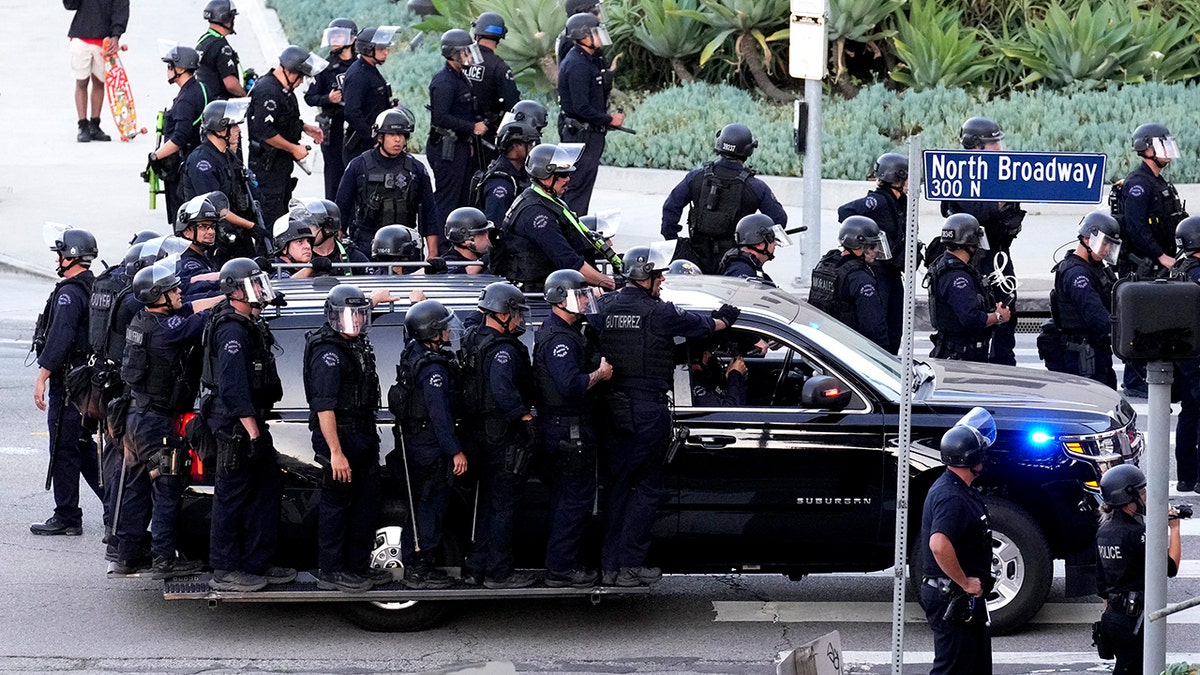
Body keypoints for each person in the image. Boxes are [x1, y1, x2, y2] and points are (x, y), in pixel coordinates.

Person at [592, 246, 739, 586]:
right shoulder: (659, 313)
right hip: (645, 411)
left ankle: (610, 567)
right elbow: (706, 325)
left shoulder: (606, 307)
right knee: (646, 489)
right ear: (647, 278)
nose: (662, 282)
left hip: (612, 411)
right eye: (659, 276)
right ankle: (630, 564)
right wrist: (726, 317)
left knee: (617, 489)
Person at [113, 262, 222, 577]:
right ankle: (164, 558)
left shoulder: (143, 320)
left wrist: (219, 294)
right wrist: (230, 296)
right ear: (160, 295)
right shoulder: (166, 332)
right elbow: (198, 320)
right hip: (156, 424)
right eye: (173, 289)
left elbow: (190, 307)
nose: (179, 291)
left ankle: (127, 554)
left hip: (134, 418)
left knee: (135, 487)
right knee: (166, 489)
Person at [200, 258, 294, 592]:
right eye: (252, 285)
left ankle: (258, 562)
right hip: (234, 424)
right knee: (232, 495)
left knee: (265, 490)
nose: (259, 291)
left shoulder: (248, 320)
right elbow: (233, 386)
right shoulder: (231, 330)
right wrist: (252, 432)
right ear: (235, 291)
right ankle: (225, 568)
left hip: (251, 420)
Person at [303, 284, 397, 592]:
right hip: (339, 434)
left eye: (359, 315)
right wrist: (336, 453)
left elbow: (356, 307)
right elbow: (324, 406)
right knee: (337, 505)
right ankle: (332, 570)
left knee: (366, 504)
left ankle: (357, 568)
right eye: (349, 316)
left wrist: (376, 299)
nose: (355, 321)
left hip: (362, 432)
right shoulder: (328, 352)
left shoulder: (352, 337)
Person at [534, 269, 610, 588]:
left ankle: (560, 562)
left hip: (563, 429)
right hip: (567, 431)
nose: (584, 301)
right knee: (574, 500)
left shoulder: (567, 331)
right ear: (562, 299)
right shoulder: (559, 340)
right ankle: (562, 568)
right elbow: (570, 385)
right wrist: (600, 374)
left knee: (566, 498)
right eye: (579, 295)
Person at [461, 283, 537, 589]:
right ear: (503, 314)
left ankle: (475, 567)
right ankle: (499, 572)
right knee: (503, 506)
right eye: (516, 313)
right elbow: (504, 392)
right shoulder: (504, 350)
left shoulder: (474, 338)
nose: (520, 320)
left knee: (485, 505)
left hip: (477, 434)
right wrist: (526, 417)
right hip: (500, 436)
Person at [390, 299, 468, 589]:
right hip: (430, 446)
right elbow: (440, 415)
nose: (449, 331)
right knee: (430, 507)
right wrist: (455, 451)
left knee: (424, 505)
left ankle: (419, 564)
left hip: (417, 442)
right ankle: (418, 569)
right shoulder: (432, 368)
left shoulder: (413, 352)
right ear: (431, 332)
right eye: (443, 327)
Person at [31, 228, 103, 536]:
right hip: (89, 381)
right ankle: (115, 505)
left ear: (70, 256)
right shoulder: (95, 286)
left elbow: (59, 338)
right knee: (82, 446)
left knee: (63, 446)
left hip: (71, 383)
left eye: (59, 254)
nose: (56, 260)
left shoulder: (70, 293)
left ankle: (67, 516)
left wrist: (42, 376)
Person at [917, 407, 996, 675]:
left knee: (974, 667)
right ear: (973, 459)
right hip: (953, 595)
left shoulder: (958, 488)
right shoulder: (952, 497)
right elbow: (938, 544)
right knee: (952, 669)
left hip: (962, 596)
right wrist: (964, 581)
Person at [941, 118, 1026, 366]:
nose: (999, 148)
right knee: (977, 313)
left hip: (1000, 254)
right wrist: (1002, 198)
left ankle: (1003, 364)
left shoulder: (1002, 173)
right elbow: (977, 213)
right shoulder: (960, 175)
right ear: (976, 146)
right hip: (974, 259)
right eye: (993, 143)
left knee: (1008, 308)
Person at [1113, 122, 1188, 398]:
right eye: (1161, 145)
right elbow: (1136, 229)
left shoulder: (1158, 182)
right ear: (1146, 149)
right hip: (1142, 264)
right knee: (1139, 321)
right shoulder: (1138, 185)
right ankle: (1134, 379)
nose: (1167, 152)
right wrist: (1162, 257)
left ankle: (1148, 374)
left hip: (1161, 261)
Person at [662, 124, 788, 274]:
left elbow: (670, 207)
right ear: (748, 150)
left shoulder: (695, 177)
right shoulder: (756, 187)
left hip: (695, 256)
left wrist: (674, 242)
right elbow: (779, 220)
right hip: (734, 261)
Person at [1094, 464, 1183, 675]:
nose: (1145, 497)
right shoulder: (1136, 534)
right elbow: (1170, 567)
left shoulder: (1104, 531)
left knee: (1124, 667)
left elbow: (1101, 584)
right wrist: (1175, 529)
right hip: (1133, 621)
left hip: (1112, 618)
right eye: (1142, 492)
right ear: (1129, 497)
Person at [493, 143, 615, 292]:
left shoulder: (546, 200)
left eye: (569, 174)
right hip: (541, 292)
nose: (568, 179)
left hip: (554, 285)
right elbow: (568, 261)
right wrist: (609, 284)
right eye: (562, 175)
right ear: (545, 177)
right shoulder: (537, 214)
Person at [336, 107, 440, 259]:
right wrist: (337, 248)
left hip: (405, 244)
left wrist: (433, 253)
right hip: (366, 245)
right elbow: (341, 209)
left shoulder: (417, 169)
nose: (398, 140)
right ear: (379, 137)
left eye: (401, 135)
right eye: (392, 134)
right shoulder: (358, 166)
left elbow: (429, 212)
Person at [1038, 212, 1120, 387]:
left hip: (1096, 352)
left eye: (1110, 245)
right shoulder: (1077, 274)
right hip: (1082, 357)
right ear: (1088, 239)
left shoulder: (1095, 268)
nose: (1107, 250)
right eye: (1105, 243)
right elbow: (1097, 317)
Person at [247, 45, 326, 227]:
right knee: (271, 218)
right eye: (300, 78)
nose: (300, 83)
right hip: (267, 168)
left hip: (280, 167)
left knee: (282, 214)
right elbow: (264, 131)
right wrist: (293, 148)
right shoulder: (268, 91)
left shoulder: (284, 91)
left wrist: (305, 128)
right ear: (290, 72)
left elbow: (284, 119)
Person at [837, 152, 908, 352]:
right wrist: (869, 237)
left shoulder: (901, 203)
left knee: (896, 326)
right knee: (879, 325)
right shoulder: (879, 202)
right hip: (878, 272)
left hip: (894, 272)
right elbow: (845, 212)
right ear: (897, 177)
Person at [182, 100, 266, 263]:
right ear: (220, 129)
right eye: (233, 126)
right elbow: (217, 210)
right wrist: (252, 227)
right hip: (214, 240)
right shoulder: (202, 162)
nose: (238, 130)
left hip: (236, 235)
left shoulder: (227, 156)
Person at [557, 12, 623, 215]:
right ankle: (575, 234)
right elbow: (581, 107)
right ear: (583, 36)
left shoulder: (590, 60)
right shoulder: (577, 64)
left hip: (590, 134)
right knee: (576, 187)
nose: (600, 36)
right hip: (581, 135)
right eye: (595, 32)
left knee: (582, 186)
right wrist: (609, 119)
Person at [927, 214, 1010, 362]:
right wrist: (998, 317)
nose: (978, 247)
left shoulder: (948, 266)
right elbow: (971, 318)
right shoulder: (957, 277)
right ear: (968, 244)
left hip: (958, 352)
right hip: (962, 356)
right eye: (975, 243)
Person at [429, 30, 487, 226]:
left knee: (462, 198)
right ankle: (443, 245)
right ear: (454, 54)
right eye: (466, 52)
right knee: (448, 200)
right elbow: (441, 117)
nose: (470, 57)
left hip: (459, 146)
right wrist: (472, 127)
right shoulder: (444, 81)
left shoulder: (460, 76)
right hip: (447, 149)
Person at [808, 216, 890, 350]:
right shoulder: (860, 279)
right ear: (858, 245)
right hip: (849, 352)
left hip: (821, 347)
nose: (876, 250)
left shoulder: (826, 265)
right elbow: (873, 327)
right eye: (872, 245)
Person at [149, 45, 209, 221]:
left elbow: (179, 138)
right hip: (198, 159)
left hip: (184, 166)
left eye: (170, 66)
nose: (168, 70)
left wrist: (155, 156)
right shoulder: (201, 88)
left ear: (181, 68)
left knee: (182, 219)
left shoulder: (186, 100)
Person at [305, 19, 359, 200]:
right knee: (334, 176)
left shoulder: (361, 67)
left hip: (356, 130)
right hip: (333, 129)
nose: (335, 40)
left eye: (340, 36)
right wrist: (328, 98)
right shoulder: (324, 67)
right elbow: (309, 97)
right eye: (332, 36)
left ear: (352, 40)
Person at [65, 0, 127, 142]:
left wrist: (116, 35)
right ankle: (82, 125)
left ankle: (95, 125)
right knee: (81, 81)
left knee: (99, 82)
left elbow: (121, 7)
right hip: (81, 36)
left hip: (104, 39)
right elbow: (70, 4)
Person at [1170, 216, 1200, 493]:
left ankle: (1186, 477)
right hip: (1198, 352)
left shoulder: (1178, 269)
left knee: (1189, 414)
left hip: (1183, 353)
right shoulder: (1197, 273)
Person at [341, 26, 396, 163]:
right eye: (381, 49)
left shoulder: (370, 69)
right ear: (367, 49)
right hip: (361, 147)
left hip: (371, 143)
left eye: (386, 48)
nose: (386, 52)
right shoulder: (358, 74)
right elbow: (352, 113)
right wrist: (373, 137)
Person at [468, 12, 521, 154]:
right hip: (487, 135)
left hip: (461, 132)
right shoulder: (500, 67)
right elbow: (513, 104)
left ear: (477, 33)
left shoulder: (462, 59)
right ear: (500, 37)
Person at [473, 120, 539, 227]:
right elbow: (494, 227)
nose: (533, 148)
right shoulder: (501, 183)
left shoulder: (518, 173)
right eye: (531, 144)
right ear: (516, 146)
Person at [297, 198, 370, 275]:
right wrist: (308, 269)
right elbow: (286, 282)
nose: (306, 232)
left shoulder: (351, 255)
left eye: (312, 226)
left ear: (327, 229)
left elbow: (373, 281)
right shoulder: (300, 255)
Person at [717, 214, 790, 286]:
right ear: (759, 244)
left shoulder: (745, 264)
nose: (775, 243)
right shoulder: (744, 272)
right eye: (772, 239)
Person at [175, 193, 224, 299]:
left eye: (212, 226)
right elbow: (202, 281)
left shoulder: (201, 255)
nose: (211, 232)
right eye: (203, 226)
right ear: (186, 231)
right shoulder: (187, 261)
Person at [195, 0, 246, 100]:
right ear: (225, 19)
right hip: (219, 106)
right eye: (232, 18)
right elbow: (230, 84)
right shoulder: (221, 46)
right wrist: (245, 96)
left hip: (204, 101)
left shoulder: (203, 40)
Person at [688, 340, 747, 407]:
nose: (710, 356)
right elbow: (730, 410)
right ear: (695, 359)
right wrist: (734, 375)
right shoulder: (694, 388)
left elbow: (739, 402)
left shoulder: (704, 379)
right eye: (705, 353)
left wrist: (729, 379)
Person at [442, 207, 492, 275]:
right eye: (482, 233)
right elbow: (455, 276)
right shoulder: (449, 264)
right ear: (465, 242)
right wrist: (481, 263)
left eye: (487, 232)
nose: (487, 237)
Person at [270, 211, 316, 279]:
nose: (308, 246)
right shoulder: (273, 271)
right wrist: (311, 268)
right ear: (284, 248)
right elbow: (285, 285)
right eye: (300, 242)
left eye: (308, 241)